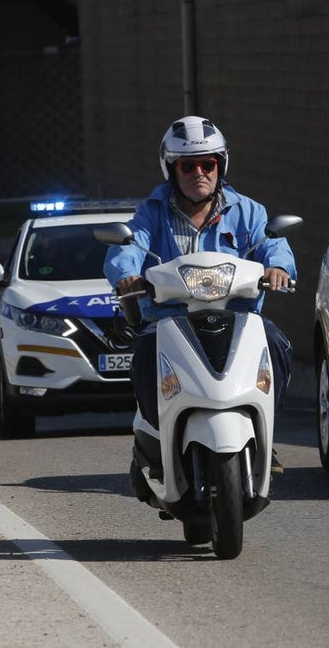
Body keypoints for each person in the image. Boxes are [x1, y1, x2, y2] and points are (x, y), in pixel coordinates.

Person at [103, 115, 297, 473]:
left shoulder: (249, 211)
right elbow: (128, 248)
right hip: (169, 318)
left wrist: (279, 267)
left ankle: (264, 435)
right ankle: (158, 444)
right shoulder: (151, 213)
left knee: (277, 344)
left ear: (221, 166)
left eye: (208, 164)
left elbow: (273, 243)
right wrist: (127, 275)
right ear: (171, 169)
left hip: (239, 318)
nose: (199, 173)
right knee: (145, 351)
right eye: (187, 165)